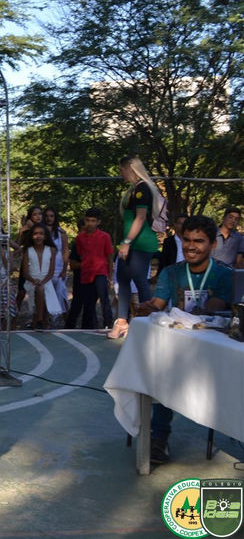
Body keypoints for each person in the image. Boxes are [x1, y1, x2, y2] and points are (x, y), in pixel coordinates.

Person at [134, 214, 235, 464]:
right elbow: (158, 304)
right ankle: (159, 438)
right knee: (161, 373)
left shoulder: (225, 274)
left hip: (214, 350)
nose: (191, 246)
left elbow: (215, 306)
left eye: (199, 241)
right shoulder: (171, 272)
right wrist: (146, 308)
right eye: (187, 240)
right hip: (178, 349)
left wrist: (189, 313)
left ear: (213, 244)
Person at [109, 156, 163, 339]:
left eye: (122, 170)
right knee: (122, 278)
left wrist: (126, 242)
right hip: (131, 242)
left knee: (140, 279)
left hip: (141, 243)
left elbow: (140, 217)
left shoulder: (142, 188)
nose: (120, 174)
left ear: (130, 169)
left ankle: (147, 322)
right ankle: (121, 321)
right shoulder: (133, 188)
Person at [70, 207, 115, 330]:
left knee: (104, 299)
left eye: (93, 221)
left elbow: (109, 256)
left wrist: (110, 277)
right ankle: (91, 327)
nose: (90, 223)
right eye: (88, 220)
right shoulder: (80, 238)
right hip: (86, 274)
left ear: (98, 222)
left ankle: (108, 324)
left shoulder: (104, 236)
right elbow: (80, 254)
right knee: (89, 302)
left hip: (100, 271)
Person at [22, 223, 64, 329]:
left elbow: (51, 272)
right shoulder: (28, 251)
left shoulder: (51, 250)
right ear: (32, 236)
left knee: (42, 290)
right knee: (40, 289)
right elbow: (25, 273)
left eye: (41, 234)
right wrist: (34, 280)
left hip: (46, 280)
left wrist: (43, 281)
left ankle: (40, 320)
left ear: (45, 236)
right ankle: (40, 320)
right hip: (31, 281)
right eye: (35, 234)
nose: (38, 236)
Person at [44, 207, 70, 312]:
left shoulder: (61, 233)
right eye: (46, 216)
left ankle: (66, 319)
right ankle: (46, 318)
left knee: (61, 294)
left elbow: (65, 251)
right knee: (46, 295)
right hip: (44, 268)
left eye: (51, 216)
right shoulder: (41, 232)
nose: (49, 218)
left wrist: (64, 269)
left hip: (58, 268)